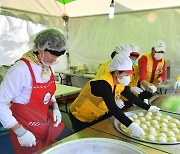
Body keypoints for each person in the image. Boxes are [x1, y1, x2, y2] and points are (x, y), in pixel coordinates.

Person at [0, 28, 73, 154]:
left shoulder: (48, 65)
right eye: (53, 55)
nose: (55, 60)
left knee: (72, 140)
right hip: (25, 125)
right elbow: (0, 103)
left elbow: (49, 92)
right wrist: (20, 132)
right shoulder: (21, 70)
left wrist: (55, 106)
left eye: (58, 56)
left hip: (45, 120)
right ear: (40, 49)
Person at [69, 53, 160, 137]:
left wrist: (149, 108)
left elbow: (131, 97)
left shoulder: (119, 82)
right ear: (117, 73)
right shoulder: (103, 84)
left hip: (94, 114)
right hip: (79, 115)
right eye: (126, 74)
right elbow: (113, 108)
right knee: (83, 137)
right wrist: (131, 125)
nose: (128, 77)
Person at [120, 44, 144, 109]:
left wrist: (142, 84)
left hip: (133, 97)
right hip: (122, 98)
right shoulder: (120, 69)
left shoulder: (136, 68)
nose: (134, 59)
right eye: (132, 56)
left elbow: (138, 79)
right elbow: (117, 85)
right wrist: (131, 88)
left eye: (136, 57)